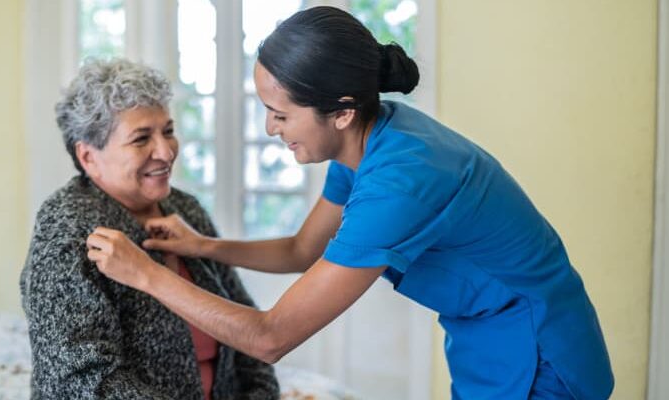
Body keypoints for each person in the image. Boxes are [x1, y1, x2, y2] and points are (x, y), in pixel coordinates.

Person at [84, 6, 614, 400]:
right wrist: (204, 246)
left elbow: (270, 339)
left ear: (339, 111)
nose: (270, 128)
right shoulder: (363, 138)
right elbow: (301, 249)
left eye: (281, 114)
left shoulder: (401, 180)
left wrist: (146, 275)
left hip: (538, 352)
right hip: (484, 338)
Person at [20, 58, 279, 400]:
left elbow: (246, 332)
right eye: (141, 138)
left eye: (168, 131)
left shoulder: (184, 209)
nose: (166, 151)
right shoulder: (67, 229)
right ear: (88, 157)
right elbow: (84, 379)